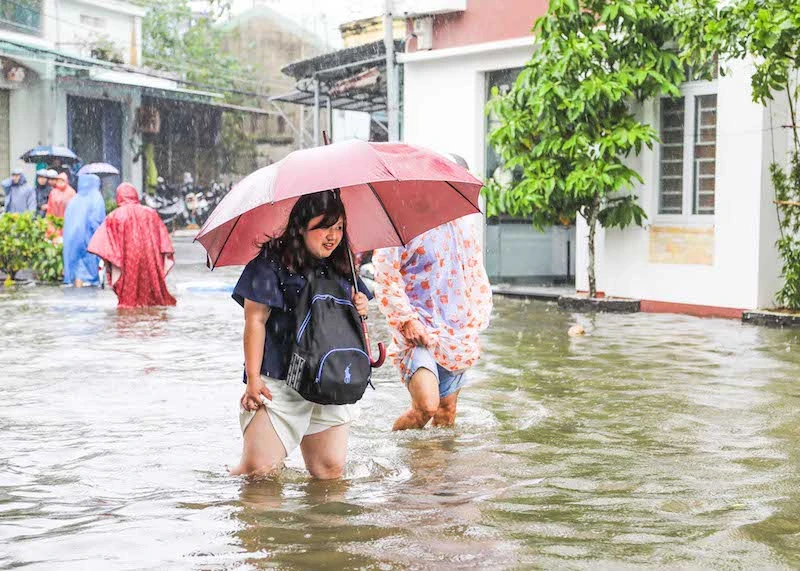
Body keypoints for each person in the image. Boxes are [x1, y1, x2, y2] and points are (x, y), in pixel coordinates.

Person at [230, 190, 371, 480]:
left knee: (329, 472)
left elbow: (350, 321)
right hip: (280, 378)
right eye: (324, 227)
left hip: (330, 378)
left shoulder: (342, 265)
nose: (332, 236)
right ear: (301, 226)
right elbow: (255, 320)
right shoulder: (271, 263)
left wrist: (361, 307)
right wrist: (253, 379)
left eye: (339, 228)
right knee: (259, 474)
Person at [373, 160, 492, 431]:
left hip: (455, 332)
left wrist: (473, 328)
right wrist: (406, 319)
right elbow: (385, 274)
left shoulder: (463, 227)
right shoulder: (403, 224)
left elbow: (475, 277)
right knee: (426, 406)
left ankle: (432, 460)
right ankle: (393, 448)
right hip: (417, 330)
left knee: (446, 412)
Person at [88, 183, 177, 307]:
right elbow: (163, 239)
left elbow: (103, 243)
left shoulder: (114, 216)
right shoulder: (150, 213)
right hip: (149, 258)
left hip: (127, 259)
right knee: (151, 295)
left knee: (128, 301)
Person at [62, 174, 106, 287]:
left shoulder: (74, 199)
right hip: (88, 237)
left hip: (72, 238)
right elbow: (97, 220)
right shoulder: (96, 198)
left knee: (76, 267)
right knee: (89, 268)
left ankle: (76, 283)